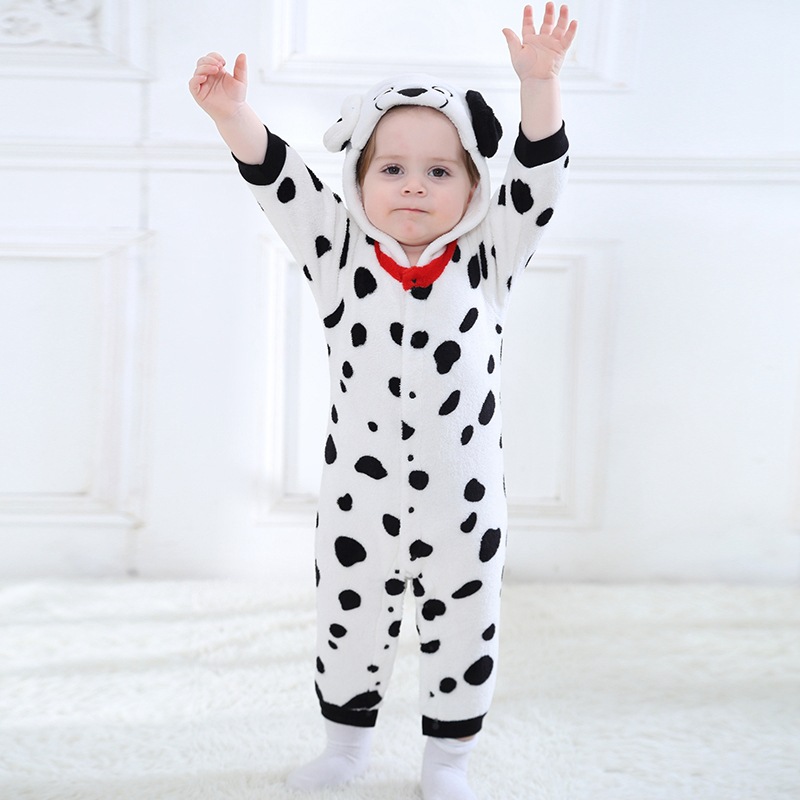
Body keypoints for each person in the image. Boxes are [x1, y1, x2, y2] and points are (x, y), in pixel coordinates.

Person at [190, 5, 577, 798]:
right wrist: (232, 114)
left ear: (474, 185)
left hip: (464, 500)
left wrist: (539, 86)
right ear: (359, 179)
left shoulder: (490, 256)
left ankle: (448, 761)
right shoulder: (337, 251)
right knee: (350, 621)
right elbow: (280, 182)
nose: (413, 187)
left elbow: (539, 174)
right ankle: (345, 748)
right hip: (358, 498)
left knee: (464, 624)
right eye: (391, 168)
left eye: (440, 171)